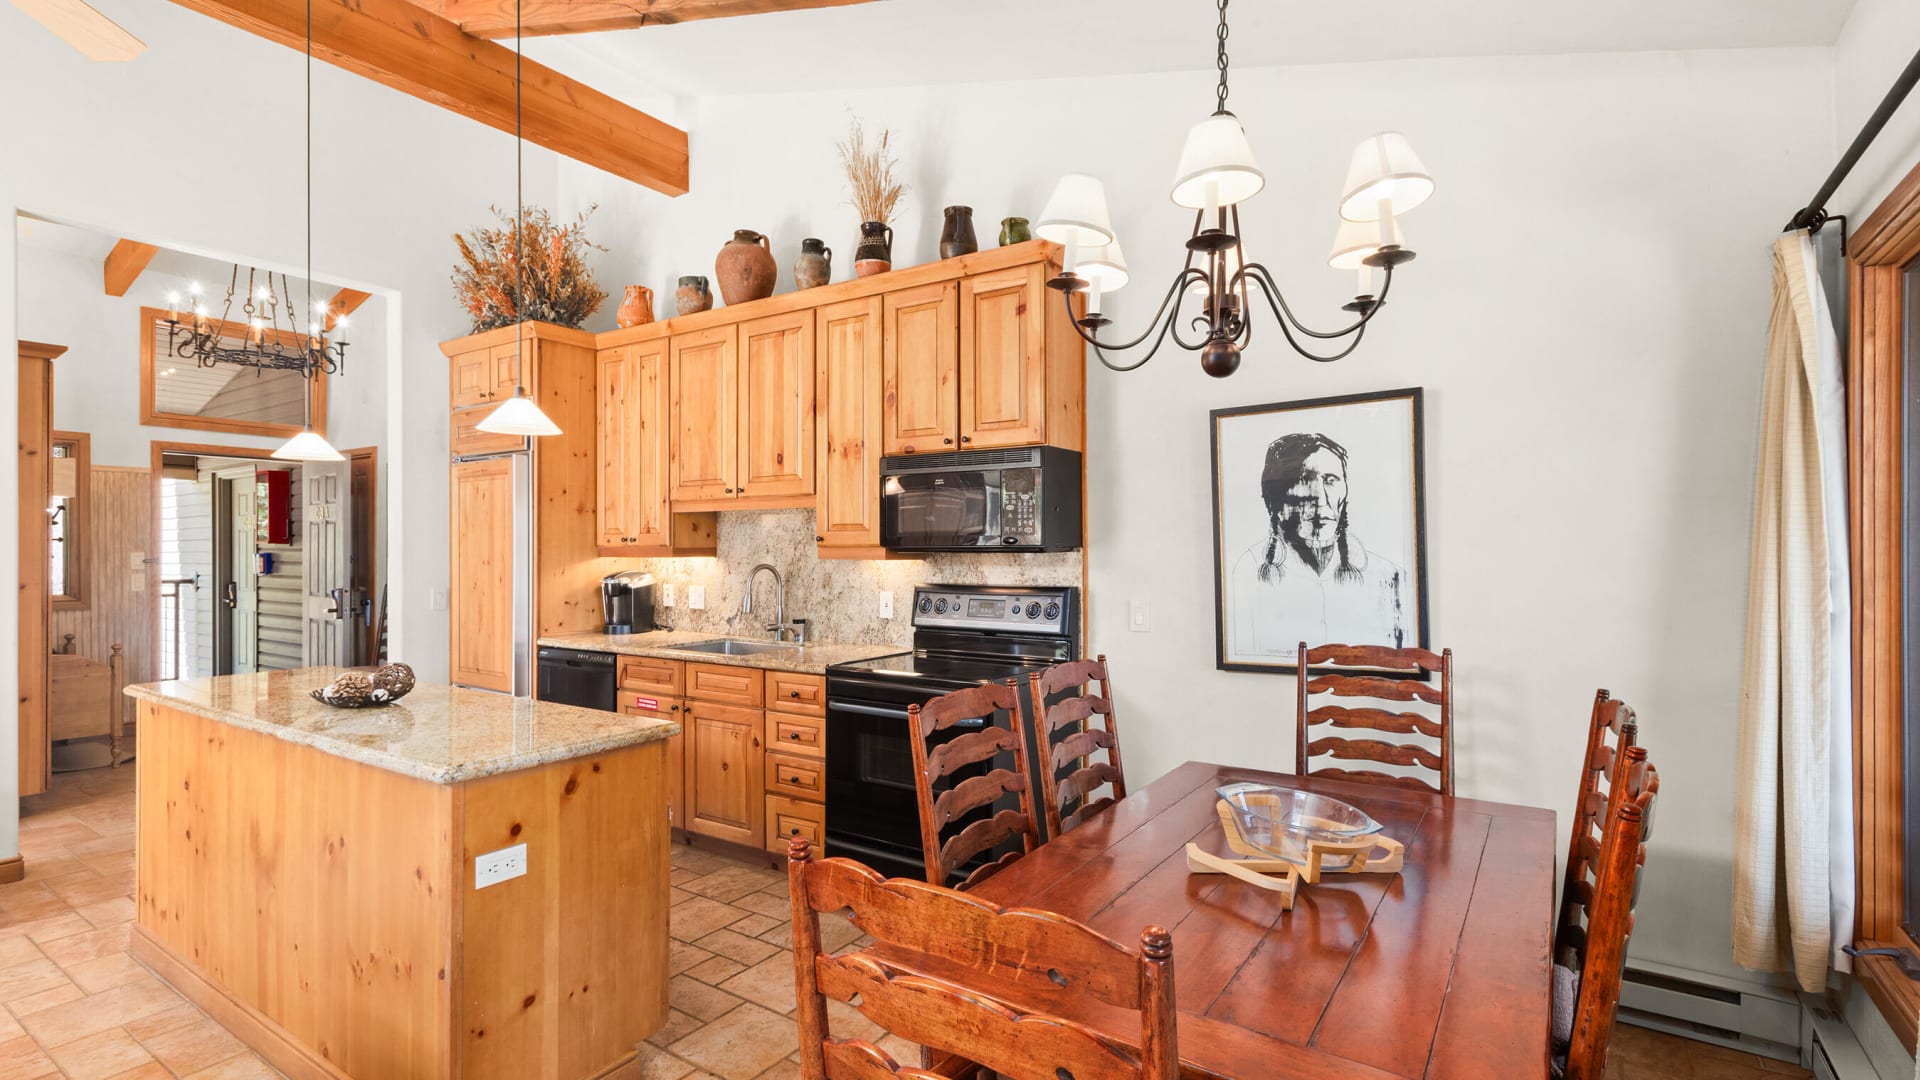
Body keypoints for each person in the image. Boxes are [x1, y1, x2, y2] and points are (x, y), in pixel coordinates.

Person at [1229, 432, 1409, 662]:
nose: (1320, 499)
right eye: (1303, 480)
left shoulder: (1387, 577)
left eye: (1330, 480)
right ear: (1275, 497)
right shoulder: (1248, 572)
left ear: (1345, 491)